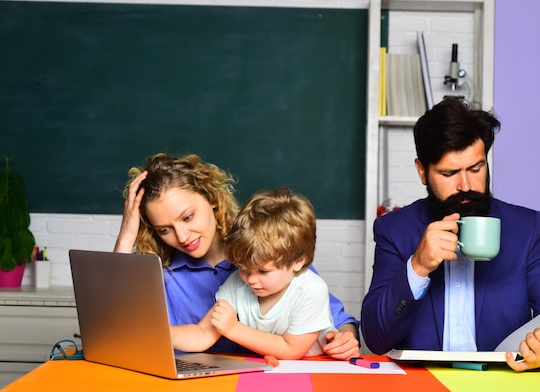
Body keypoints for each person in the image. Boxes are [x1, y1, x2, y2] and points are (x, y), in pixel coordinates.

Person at [360, 99, 540, 372]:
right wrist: (417, 266)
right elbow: (376, 338)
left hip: (503, 385)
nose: (465, 185)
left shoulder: (525, 229)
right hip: (426, 386)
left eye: (476, 168)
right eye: (449, 173)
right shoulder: (394, 230)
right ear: (422, 171)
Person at [114, 153, 359, 359]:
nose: (182, 236)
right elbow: (117, 322)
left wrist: (345, 338)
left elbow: (337, 320)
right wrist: (126, 234)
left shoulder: (267, 249)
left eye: (188, 217)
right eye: (164, 230)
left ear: (211, 200)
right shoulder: (164, 275)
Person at [171, 187, 342, 359]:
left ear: (298, 261)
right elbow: (202, 335)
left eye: (263, 271)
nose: (251, 279)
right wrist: (160, 332)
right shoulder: (237, 283)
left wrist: (233, 328)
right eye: (243, 267)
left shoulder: (311, 289)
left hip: (315, 365)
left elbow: (291, 350)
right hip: (271, 367)